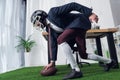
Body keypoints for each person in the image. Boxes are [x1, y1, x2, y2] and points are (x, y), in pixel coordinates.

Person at [31, 2, 116, 80]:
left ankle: (76, 70)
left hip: (80, 21)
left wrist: (90, 13)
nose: (38, 25)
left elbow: (73, 5)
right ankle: (110, 62)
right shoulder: (49, 29)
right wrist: (52, 62)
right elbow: (53, 44)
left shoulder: (53, 12)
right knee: (83, 55)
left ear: (40, 17)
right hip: (77, 29)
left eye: (37, 23)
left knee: (60, 39)